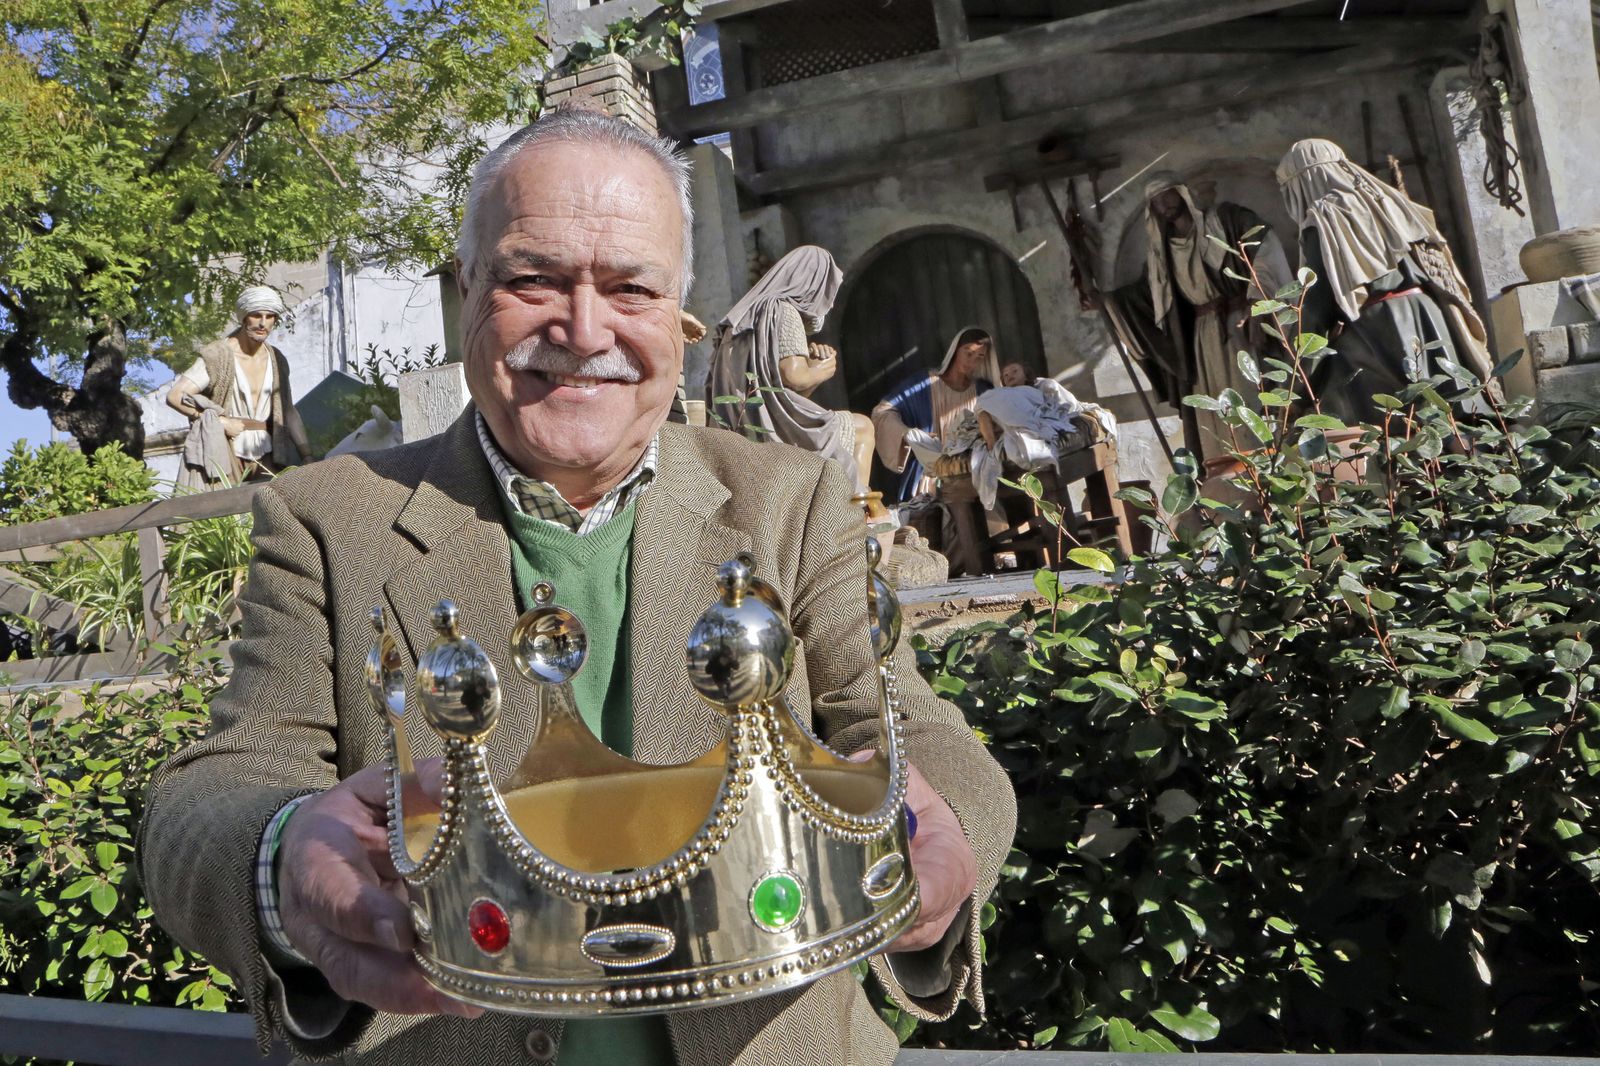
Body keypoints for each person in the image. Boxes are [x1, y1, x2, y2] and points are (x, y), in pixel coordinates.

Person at [138, 107, 1014, 1066]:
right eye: (532, 279)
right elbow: (216, 790)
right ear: (467, 287)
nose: (583, 329)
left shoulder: (789, 499)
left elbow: (908, 732)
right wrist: (284, 859)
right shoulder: (327, 519)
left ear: (680, 315)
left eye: (630, 288)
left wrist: (951, 836)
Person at [1275, 138, 1497, 422]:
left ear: (1300, 184)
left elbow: (1317, 311)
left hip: (1384, 329)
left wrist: (1294, 389)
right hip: (1431, 313)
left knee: (1399, 416)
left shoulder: (1324, 219)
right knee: (1455, 407)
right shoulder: (1387, 200)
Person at [1105, 173, 1292, 467]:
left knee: (1249, 398)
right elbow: (1147, 296)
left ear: (1182, 193)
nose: (1164, 204)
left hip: (1237, 325)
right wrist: (1106, 302)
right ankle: (1227, 480)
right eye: (1156, 201)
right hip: (1200, 339)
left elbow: (1263, 247)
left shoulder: (1225, 222)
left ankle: (1266, 469)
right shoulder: (1162, 253)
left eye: (1168, 194)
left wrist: (1258, 303)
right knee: (1213, 411)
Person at [705, 246, 875, 493]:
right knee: (863, 428)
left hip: (742, 426)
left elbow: (783, 391)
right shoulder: (783, 311)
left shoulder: (745, 315)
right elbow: (795, 378)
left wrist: (811, 369)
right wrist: (822, 369)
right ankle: (858, 506)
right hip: (772, 432)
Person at [166, 286, 315, 483]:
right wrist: (220, 422)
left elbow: (288, 410)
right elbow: (175, 396)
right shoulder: (218, 355)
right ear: (244, 317)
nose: (263, 323)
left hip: (268, 450)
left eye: (270, 316)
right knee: (223, 508)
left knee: (271, 506)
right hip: (226, 448)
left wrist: (307, 455)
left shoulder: (276, 359)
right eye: (256, 315)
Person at [871, 326, 1002, 504]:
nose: (971, 361)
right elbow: (882, 411)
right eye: (968, 353)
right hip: (932, 473)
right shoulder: (925, 383)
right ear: (955, 350)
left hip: (971, 471)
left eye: (979, 357)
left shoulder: (983, 391)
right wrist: (907, 433)